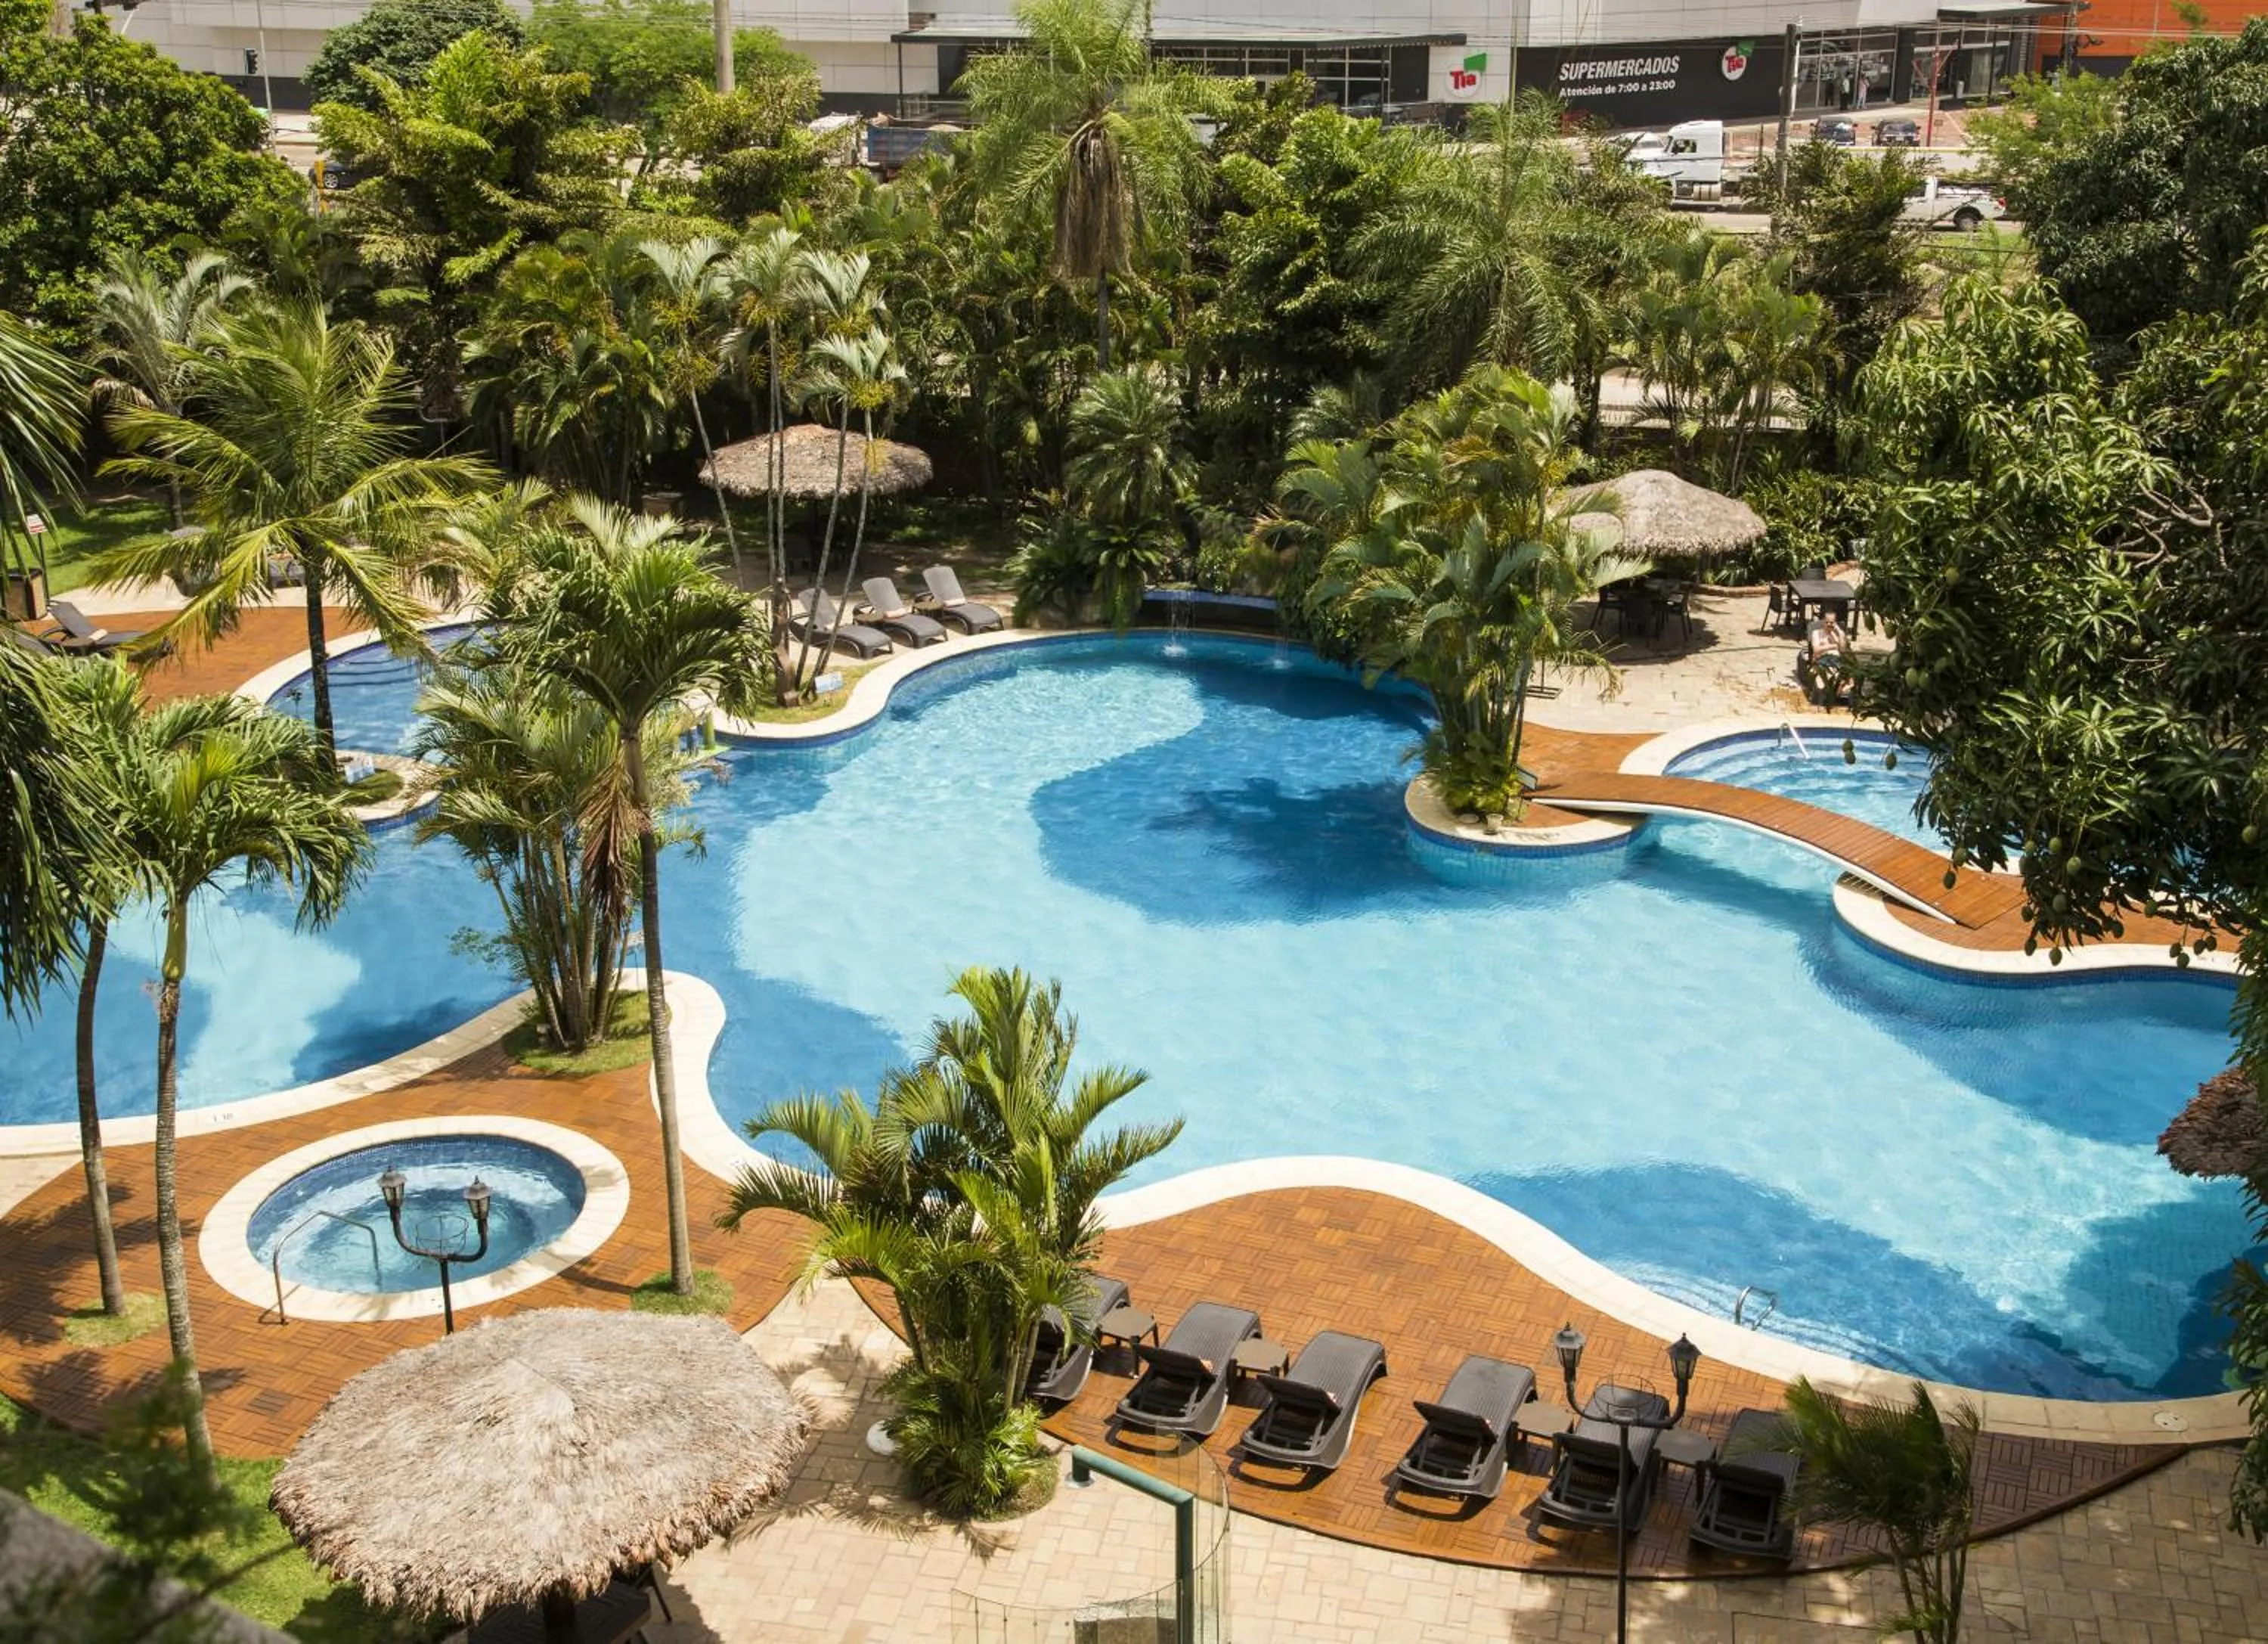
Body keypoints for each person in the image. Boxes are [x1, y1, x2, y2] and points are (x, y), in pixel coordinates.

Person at [1799, 611, 1851, 703]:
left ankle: (1836, 694)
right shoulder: (1817, 633)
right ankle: (1827, 694)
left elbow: (1843, 650)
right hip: (1822, 662)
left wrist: (1840, 632)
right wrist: (1834, 646)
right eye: (1827, 622)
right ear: (1823, 622)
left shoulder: (1837, 635)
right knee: (1823, 682)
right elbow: (1816, 650)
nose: (1829, 624)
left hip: (1837, 662)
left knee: (1849, 678)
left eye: (1831, 623)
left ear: (1835, 623)